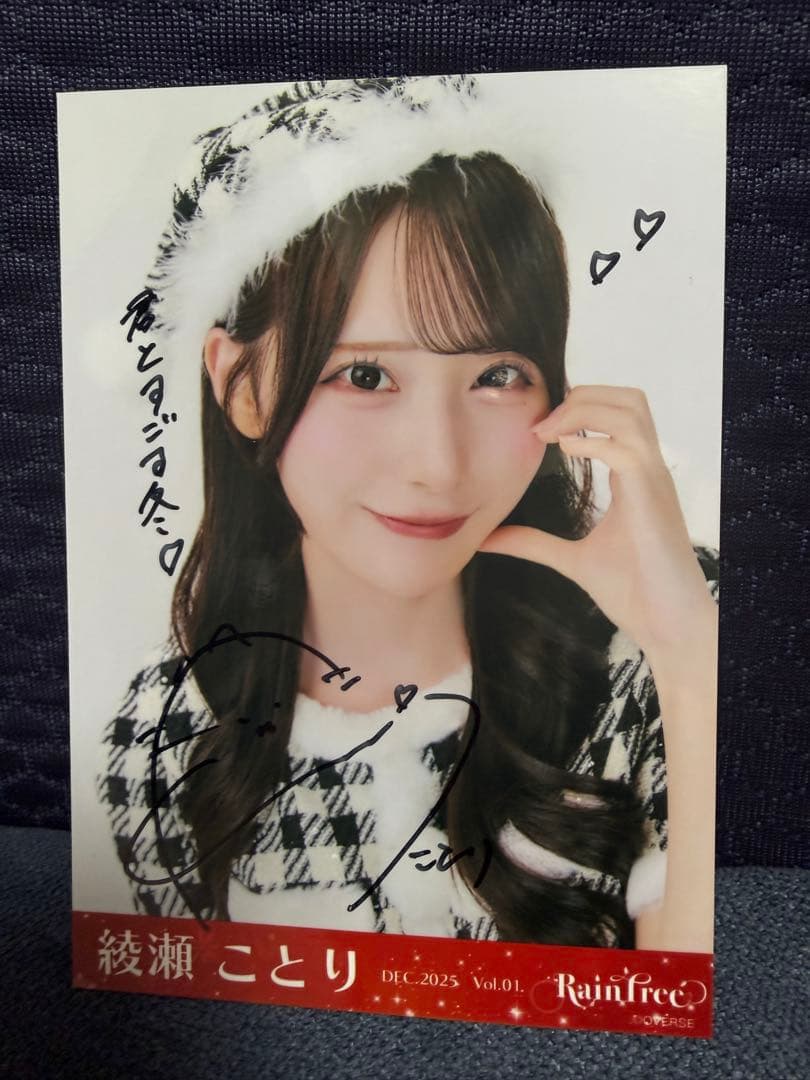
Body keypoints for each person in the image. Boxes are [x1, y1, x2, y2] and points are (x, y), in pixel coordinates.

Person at [97, 75, 719, 951]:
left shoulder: (656, 646)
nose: (439, 465)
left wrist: (689, 659)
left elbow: (694, 1005)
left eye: (497, 375)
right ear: (241, 386)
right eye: (365, 376)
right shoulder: (166, 735)